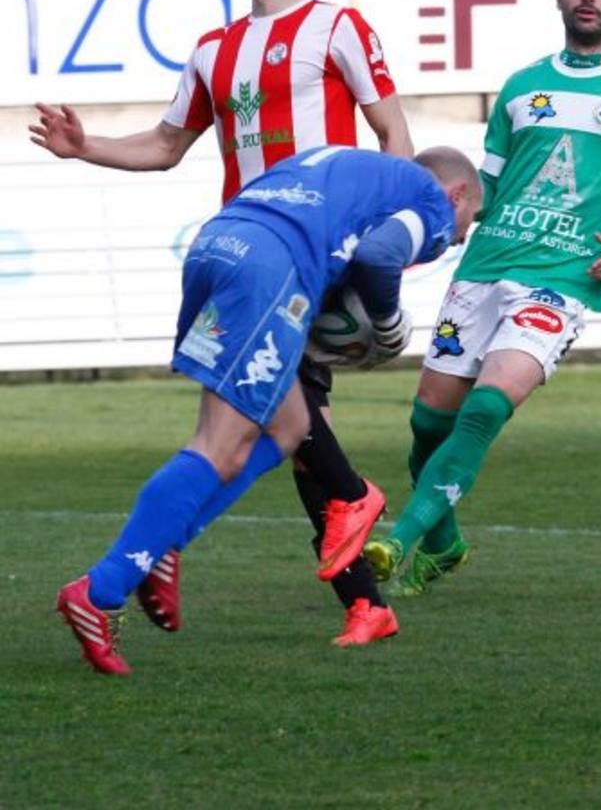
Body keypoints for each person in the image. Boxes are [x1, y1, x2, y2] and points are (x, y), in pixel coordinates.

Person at [30, 0, 414, 648]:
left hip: (317, 246)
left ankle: (329, 539)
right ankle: (356, 589)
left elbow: (391, 127)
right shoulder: (214, 48)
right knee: (285, 424)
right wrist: (88, 147)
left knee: (279, 423)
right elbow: (169, 143)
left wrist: (382, 227)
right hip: (254, 257)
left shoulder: (338, 26)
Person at [363, 0, 601, 596]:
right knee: (427, 424)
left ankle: (397, 540)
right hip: (486, 267)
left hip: (561, 279)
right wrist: (436, 217)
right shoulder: (523, 88)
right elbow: (487, 189)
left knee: (488, 406)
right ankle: (445, 545)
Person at [55, 144, 483, 675]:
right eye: (467, 221)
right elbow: (379, 256)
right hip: (268, 267)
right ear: (457, 193)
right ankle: (101, 590)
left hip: (218, 244)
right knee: (217, 443)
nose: (460, 234)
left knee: (288, 427)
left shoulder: (345, 164)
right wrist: (388, 320)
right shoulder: (431, 199)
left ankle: (164, 541)